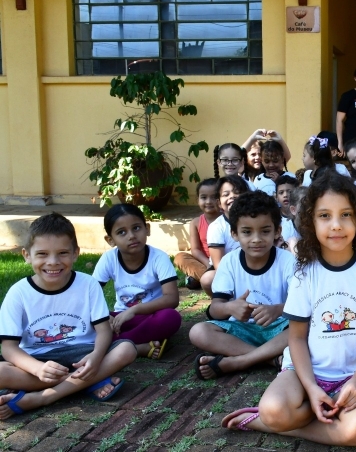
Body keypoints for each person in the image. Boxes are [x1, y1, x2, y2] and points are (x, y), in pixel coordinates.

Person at [222, 172, 356, 446]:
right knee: (273, 410)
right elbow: (297, 337)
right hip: (303, 374)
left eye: (345, 214)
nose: (336, 225)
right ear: (310, 221)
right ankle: (280, 417)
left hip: (349, 376)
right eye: (325, 215)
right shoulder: (304, 272)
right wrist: (311, 388)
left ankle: (277, 425)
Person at [0, 213, 137, 418]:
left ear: (75, 253)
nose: (53, 262)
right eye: (42, 254)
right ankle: (86, 383)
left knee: (127, 349)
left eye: (63, 253)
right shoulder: (18, 293)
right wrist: (38, 369)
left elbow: (103, 330)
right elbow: (9, 348)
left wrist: (96, 356)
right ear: (27, 255)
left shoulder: (88, 285)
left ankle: (42, 397)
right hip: (38, 357)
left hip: (82, 355)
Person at [190, 191, 294, 379]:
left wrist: (277, 310)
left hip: (279, 328)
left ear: (277, 231)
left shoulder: (287, 261)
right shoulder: (229, 262)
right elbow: (215, 309)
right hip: (243, 330)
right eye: (247, 232)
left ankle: (239, 361)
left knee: (308, 326)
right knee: (198, 332)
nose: (256, 239)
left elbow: (303, 304)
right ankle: (270, 359)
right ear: (234, 233)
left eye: (265, 231)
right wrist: (231, 307)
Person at [93, 204, 182, 359]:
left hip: (151, 315)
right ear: (110, 240)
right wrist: (106, 317)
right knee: (89, 323)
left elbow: (172, 298)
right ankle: (139, 346)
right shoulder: (109, 259)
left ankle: (116, 344)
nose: (131, 236)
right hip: (120, 318)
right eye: (121, 232)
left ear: (147, 228)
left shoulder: (158, 257)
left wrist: (133, 310)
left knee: (171, 318)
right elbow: (90, 295)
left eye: (136, 228)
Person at [203, 176, 251, 296]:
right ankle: (222, 302)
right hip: (227, 269)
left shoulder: (254, 220)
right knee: (207, 279)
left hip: (255, 264)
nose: (232, 196)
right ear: (219, 203)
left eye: (237, 192)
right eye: (226, 194)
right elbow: (218, 264)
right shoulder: (216, 227)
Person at [174, 178, 220, 290]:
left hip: (222, 261)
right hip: (205, 263)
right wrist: (209, 265)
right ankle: (210, 279)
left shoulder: (226, 220)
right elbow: (195, 250)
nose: (208, 201)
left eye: (214, 197)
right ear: (197, 199)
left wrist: (217, 264)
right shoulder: (196, 222)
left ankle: (199, 279)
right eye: (204, 197)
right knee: (180, 257)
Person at [274, 175, 299, 249]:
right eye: (281, 193)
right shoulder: (274, 217)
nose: (285, 195)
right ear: (276, 197)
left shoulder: (302, 216)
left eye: (290, 192)